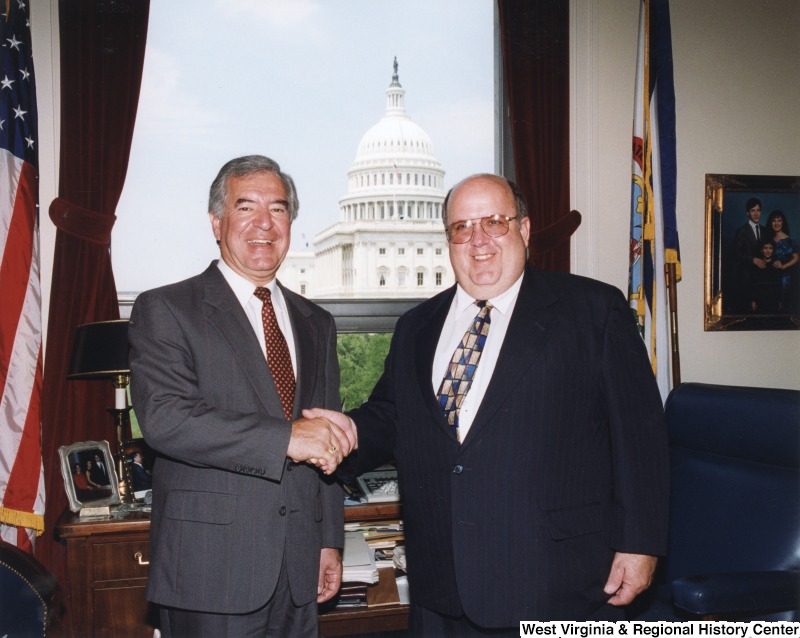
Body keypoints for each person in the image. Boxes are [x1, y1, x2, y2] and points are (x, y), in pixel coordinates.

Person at [310, 174, 669, 631]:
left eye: (494, 222)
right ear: (448, 240)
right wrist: (345, 434)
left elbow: (641, 440)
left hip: (555, 583)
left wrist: (641, 544)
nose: (478, 240)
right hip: (442, 585)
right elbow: (391, 416)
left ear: (523, 229)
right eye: (462, 227)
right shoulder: (417, 326)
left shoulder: (593, 310)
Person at [129, 155, 356, 637]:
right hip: (211, 570)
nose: (264, 224)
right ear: (217, 222)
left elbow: (327, 438)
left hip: (300, 569)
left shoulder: (317, 323)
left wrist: (329, 540)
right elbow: (166, 420)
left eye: (278, 209)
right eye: (245, 207)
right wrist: (285, 439)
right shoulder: (166, 308)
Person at [732, 197, 767, 312]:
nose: (756, 213)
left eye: (758, 210)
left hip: (762, 276)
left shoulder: (765, 230)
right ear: (747, 213)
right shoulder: (741, 231)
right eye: (753, 210)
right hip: (746, 277)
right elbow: (736, 254)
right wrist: (752, 259)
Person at [766, 209, 799, 312]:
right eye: (774, 221)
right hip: (771, 276)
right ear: (770, 223)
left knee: (783, 305)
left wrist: (783, 266)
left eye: (779, 220)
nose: (776, 223)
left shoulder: (788, 240)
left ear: (783, 222)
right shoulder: (768, 238)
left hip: (784, 278)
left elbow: (797, 257)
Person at [750, 241, 782, 312]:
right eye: (765, 248)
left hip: (774, 299)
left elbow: (779, 284)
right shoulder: (757, 265)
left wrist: (780, 301)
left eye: (770, 248)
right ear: (761, 250)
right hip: (760, 299)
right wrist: (753, 300)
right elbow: (753, 283)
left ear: (773, 250)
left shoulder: (777, 264)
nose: (768, 251)